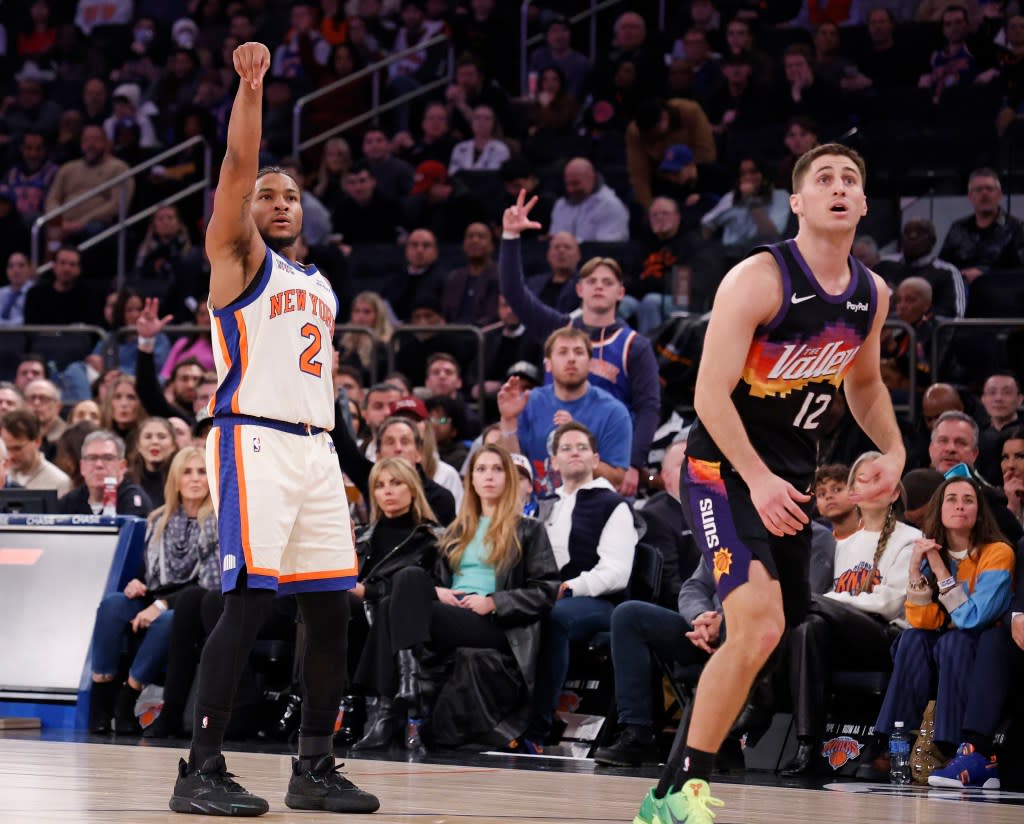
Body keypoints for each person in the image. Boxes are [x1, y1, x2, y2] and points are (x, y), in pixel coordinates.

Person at [632, 143, 905, 824]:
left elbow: (865, 384)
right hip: (722, 470)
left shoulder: (872, 292)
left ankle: (662, 798)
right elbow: (709, 396)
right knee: (756, 626)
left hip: (786, 476)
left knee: (765, 634)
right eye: (824, 179)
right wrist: (754, 478)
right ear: (799, 202)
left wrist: (895, 448)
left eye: (850, 179)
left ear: (864, 203)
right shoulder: (760, 277)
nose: (839, 188)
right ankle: (685, 793)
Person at [167, 42, 378, 817]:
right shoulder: (236, 256)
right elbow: (233, 163)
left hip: (315, 449)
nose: (279, 202)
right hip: (251, 438)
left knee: (332, 611)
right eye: (267, 194)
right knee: (248, 605)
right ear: (246, 210)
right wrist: (251, 91)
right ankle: (199, 770)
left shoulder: (317, 282)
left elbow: (323, 389)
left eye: (290, 195)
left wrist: (354, 464)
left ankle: (314, 766)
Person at [353, 444, 559, 751]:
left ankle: (390, 709)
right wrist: (438, 592)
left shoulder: (528, 530)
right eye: (481, 469)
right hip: (453, 613)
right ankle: (399, 697)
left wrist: (494, 601)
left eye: (497, 469)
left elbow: (546, 590)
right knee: (399, 590)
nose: (488, 476)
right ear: (471, 481)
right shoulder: (454, 532)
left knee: (393, 600)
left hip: (496, 624)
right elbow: (427, 585)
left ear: (509, 479)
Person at [500, 192, 661, 497]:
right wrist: (510, 236)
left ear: (620, 293)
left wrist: (634, 464)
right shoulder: (559, 329)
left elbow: (648, 408)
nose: (599, 286)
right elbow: (514, 293)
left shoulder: (634, 345)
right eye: (592, 281)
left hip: (609, 451)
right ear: (579, 289)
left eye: (608, 282)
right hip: (552, 450)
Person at [779, 452, 919, 775]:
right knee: (808, 627)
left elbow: (889, 604)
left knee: (804, 605)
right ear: (853, 492)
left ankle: (760, 700)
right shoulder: (840, 545)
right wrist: (827, 603)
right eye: (862, 480)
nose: (869, 487)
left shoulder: (911, 539)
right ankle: (806, 744)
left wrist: (827, 601)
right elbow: (827, 606)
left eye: (878, 480)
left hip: (886, 639)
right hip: (840, 640)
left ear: (894, 492)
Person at [873, 474, 1015, 789]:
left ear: (980, 511)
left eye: (968, 500)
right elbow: (922, 620)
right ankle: (895, 741)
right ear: (938, 508)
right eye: (951, 499)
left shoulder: (997, 553)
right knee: (911, 639)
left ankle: (948, 747)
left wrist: (938, 569)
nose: (960, 506)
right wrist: (914, 570)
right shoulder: (932, 550)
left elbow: (974, 618)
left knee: (955, 641)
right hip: (946, 639)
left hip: (984, 645)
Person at [87, 447, 218, 734]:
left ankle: (128, 695)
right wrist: (136, 582)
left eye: (202, 472)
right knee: (113, 605)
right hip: (155, 593)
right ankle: (101, 698)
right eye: (187, 472)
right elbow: (148, 571)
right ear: (175, 479)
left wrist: (160, 605)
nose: (195, 479)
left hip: (190, 604)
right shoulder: (158, 519)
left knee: (168, 619)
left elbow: (210, 583)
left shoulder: (217, 521)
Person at [523, 422, 637, 750]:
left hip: (597, 602)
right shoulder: (541, 505)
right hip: (541, 593)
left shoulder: (613, 505)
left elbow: (616, 571)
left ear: (595, 458)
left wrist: (571, 587)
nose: (575, 453)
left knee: (554, 617)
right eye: (566, 448)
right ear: (553, 462)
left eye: (582, 448)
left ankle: (538, 729)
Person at [345, 456, 441, 748]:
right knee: (321, 604)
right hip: (356, 608)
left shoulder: (431, 537)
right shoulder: (362, 535)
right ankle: (318, 704)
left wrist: (368, 592)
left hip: (395, 612)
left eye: (396, 483)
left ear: (412, 488)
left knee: (387, 607)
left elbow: (421, 585)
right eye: (380, 485)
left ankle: (381, 713)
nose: (387, 491)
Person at [497, 327, 633, 495]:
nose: (571, 359)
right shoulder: (528, 403)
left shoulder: (613, 412)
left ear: (590, 363)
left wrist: (578, 442)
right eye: (562, 352)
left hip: (590, 510)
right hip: (536, 509)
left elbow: (617, 479)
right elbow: (512, 469)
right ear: (547, 364)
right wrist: (508, 420)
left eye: (578, 352)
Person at [0, 408, 72, 495]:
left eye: (17, 449)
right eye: (7, 449)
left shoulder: (59, 482)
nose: (10, 456)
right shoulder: (3, 473)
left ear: (37, 441)